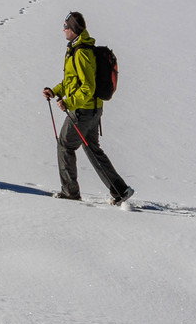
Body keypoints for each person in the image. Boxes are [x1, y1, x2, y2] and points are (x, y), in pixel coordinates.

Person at [43, 11, 134, 204]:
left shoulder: (82, 52)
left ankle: (70, 193)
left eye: (66, 26)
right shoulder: (78, 49)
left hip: (83, 111)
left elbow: (87, 87)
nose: (63, 29)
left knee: (65, 145)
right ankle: (120, 190)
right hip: (93, 110)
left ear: (74, 29)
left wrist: (69, 103)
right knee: (92, 148)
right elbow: (71, 82)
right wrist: (55, 91)